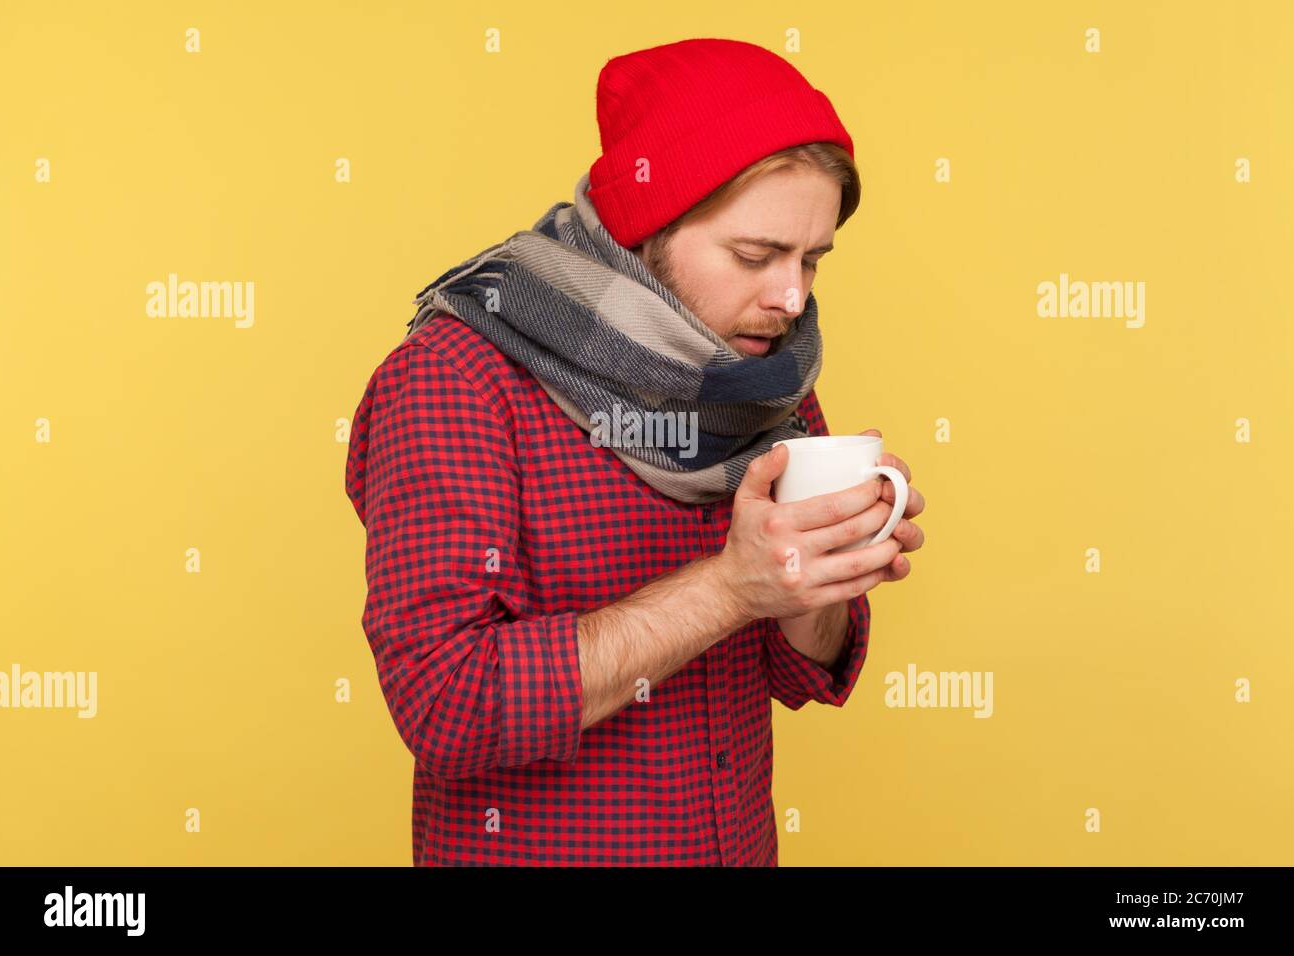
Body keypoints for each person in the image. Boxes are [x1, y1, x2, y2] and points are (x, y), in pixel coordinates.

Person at [344, 37, 926, 866]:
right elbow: (449, 703)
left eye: (811, 260)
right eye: (756, 256)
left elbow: (802, 672)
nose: (791, 298)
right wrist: (730, 586)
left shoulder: (760, 371)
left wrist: (816, 580)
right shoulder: (457, 378)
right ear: (643, 227)